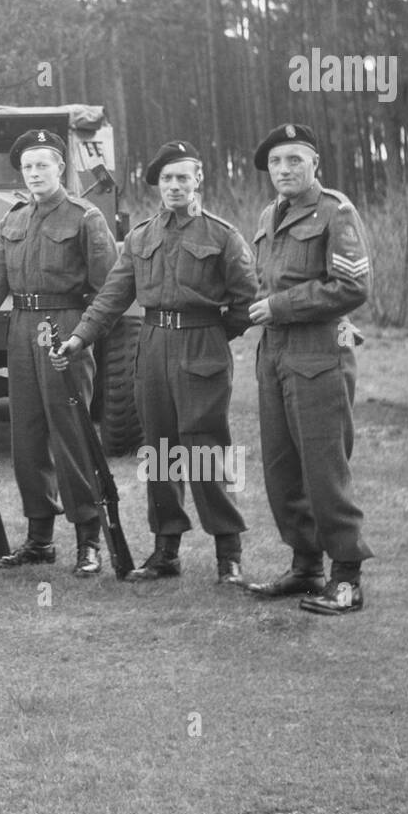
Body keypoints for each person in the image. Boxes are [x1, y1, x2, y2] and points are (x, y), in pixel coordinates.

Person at [52, 140, 257, 584]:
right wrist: (79, 336)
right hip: (152, 346)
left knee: (205, 449)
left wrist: (216, 336)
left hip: (202, 347)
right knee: (160, 450)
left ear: (198, 179)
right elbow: (112, 296)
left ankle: (228, 554)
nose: (175, 185)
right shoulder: (141, 237)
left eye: (184, 177)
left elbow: (245, 298)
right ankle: (166, 551)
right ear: (158, 185)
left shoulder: (223, 236)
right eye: (167, 178)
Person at [0, 129, 114, 575]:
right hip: (20, 330)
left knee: (71, 435)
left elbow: (108, 290)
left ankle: (88, 538)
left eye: (43, 164)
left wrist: (81, 337)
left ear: (61, 168)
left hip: (64, 327)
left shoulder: (86, 217)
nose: (35, 173)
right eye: (28, 166)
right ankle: (39, 537)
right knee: (26, 439)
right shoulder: (14, 219)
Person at [245, 123, 373, 615]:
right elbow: (264, 283)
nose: (284, 170)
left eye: (294, 160)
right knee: (282, 469)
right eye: (276, 162)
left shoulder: (335, 211)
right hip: (273, 356)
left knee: (324, 469)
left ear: (315, 163)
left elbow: (352, 288)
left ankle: (346, 577)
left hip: (318, 354)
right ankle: (305, 567)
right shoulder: (267, 216)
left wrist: (280, 306)